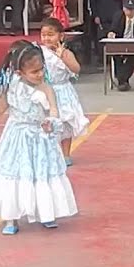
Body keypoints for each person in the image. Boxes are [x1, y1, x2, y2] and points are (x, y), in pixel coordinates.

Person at [0, 40, 77, 234]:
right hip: (16, 138)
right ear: (19, 73)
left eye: (41, 69)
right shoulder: (12, 87)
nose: (39, 74)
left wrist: (52, 122)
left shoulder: (46, 88)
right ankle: (11, 218)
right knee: (15, 175)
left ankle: (47, 213)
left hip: (41, 137)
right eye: (34, 72)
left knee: (41, 175)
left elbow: (54, 110)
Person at [38, 17, 87, 165]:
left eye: (50, 34)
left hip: (63, 90)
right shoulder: (38, 52)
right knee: (46, 123)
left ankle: (66, 154)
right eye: (44, 34)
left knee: (65, 123)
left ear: (60, 36)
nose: (46, 38)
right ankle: (48, 153)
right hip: (45, 91)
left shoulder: (66, 53)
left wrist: (63, 57)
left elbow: (76, 69)